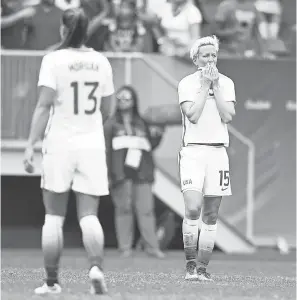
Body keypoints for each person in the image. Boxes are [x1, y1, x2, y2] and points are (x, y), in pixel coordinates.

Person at [23, 8, 114, 295]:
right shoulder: (101, 62)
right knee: (89, 215)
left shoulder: (54, 59)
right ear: (86, 31)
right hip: (91, 143)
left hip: (60, 142)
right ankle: (96, 268)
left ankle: (52, 282)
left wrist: (30, 144)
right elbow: (108, 110)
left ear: (64, 30)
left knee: (53, 216)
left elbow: (43, 105)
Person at [177, 35, 236, 281]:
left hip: (218, 152)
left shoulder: (227, 82)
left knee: (211, 215)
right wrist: (204, 86)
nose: (210, 59)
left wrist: (216, 87)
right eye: (205, 55)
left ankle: (202, 268)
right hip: (193, 151)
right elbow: (192, 114)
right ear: (195, 59)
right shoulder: (187, 83)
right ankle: (190, 263)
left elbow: (228, 115)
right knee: (193, 208)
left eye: (213, 55)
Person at [104, 85, 165, 259]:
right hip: (120, 173)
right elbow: (106, 150)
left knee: (146, 210)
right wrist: (108, 174)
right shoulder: (110, 124)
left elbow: (150, 146)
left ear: (134, 101)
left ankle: (152, 247)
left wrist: (159, 134)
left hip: (142, 172)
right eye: (120, 99)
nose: (124, 102)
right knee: (124, 209)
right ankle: (125, 248)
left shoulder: (143, 123)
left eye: (127, 99)